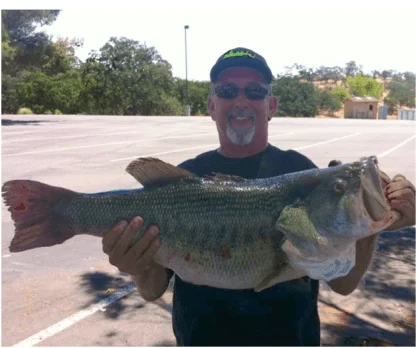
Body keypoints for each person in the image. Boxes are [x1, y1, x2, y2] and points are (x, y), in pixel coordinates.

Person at [102, 47, 416, 346]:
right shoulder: (183, 180)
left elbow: (343, 284)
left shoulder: (300, 172)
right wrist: (137, 266)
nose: (241, 100)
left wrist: (372, 223)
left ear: (271, 106)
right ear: (212, 106)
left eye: (254, 92)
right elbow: (153, 289)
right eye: (227, 91)